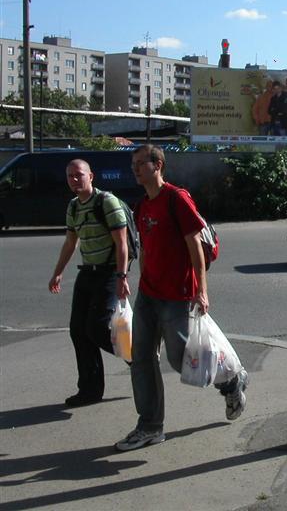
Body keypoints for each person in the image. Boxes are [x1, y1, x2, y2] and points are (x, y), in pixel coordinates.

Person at [116, 144, 247, 451]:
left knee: (180, 359)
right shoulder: (142, 207)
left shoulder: (176, 198)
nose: (134, 169)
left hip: (177, 295)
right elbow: (146, 249)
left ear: (157, 165)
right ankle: (150, 426)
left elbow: (195, 246)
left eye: (140, 164)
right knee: (140, 360)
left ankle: (231, 381)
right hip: (149, 295)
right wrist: (139, 280)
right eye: (132, 164)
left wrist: (202, 289)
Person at [49, 159, 131, 407]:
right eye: (70, 176)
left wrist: (121, 276)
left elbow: (122, 243)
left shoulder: (106, 202)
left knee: (95, 328)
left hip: (108, 273)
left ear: (91, 176)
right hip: (87, 274)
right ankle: (89, 390)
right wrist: (58, 272)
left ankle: (136, 357)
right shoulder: (74, 207)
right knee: (78, 331)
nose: (74, 180)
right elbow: (70, 243)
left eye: (79, 175)